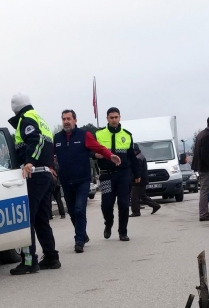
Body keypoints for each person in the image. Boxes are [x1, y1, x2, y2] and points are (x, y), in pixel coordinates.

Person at [7, 93, 60, 274]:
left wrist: (30, 161)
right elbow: (46, 145)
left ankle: (29, 262)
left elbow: (35, 140)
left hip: (34, 175)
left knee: (27, 219)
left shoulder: (26, 119)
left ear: (16, 107)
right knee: (41, 219)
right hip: (45, 175)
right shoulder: (39, 117)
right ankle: (52, 258)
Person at [53, 109, 118, 253]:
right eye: (64, 119)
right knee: (72, 211)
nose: (66, 121)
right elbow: (50, 155)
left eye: (69, 118)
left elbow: (99, 148)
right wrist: (50, 167)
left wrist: (110, 155)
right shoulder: (57, 138)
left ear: (75, 120)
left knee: (79, 209)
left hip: (82, 180)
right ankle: (83, 234)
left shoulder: (84, 135)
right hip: (65, 180)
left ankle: (79, 241)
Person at [95, 107, 140, 241]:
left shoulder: (127, 135)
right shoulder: (99, 134)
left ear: (120, 117)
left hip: (123, 175)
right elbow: (89, 151)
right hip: (106, 175)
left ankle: (123, 231)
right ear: (107, 118)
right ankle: (108, 223)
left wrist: (137, 174)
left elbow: (132, 157)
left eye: (116, 117)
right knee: (107, 204)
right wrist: (94, 154)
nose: (114, 120)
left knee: (124, 204)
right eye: (111, 117)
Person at [192, 115, 209, 221]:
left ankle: (205, 212)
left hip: (202, 167)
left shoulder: (202, 134)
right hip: (206, 168)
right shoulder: (207, 136)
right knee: (205, 191)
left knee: (205, 190)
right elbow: (204, 153)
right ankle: (203, 214)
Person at [130, 143, 161, 217]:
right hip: (142, 179)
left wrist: (134, 179)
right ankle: (155, 206)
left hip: (139, 180)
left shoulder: (138, 158)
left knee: (134, 196)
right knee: (142, 195)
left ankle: (136, 212)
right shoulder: (140, 156)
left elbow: (137, 170)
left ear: (134, 150)